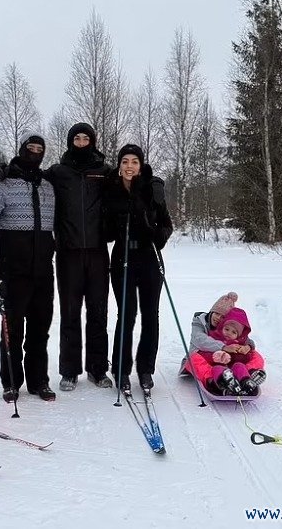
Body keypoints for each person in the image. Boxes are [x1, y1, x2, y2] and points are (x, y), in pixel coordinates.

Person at [0, 122, 112, 392]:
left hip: (98, 252)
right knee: (69, 313)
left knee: (98, 313)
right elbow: (28, 173)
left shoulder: (104, 172)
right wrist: (0, 171)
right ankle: (69, 371)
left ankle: (98, 368)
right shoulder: (58, 172)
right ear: (70, 142)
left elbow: (129, 184)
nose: (81, 142)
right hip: (67, 253)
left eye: (85, 138)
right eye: (76, 138)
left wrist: (152, 181)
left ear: (92, 141)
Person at [0, 132, 57, 402]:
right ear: (22, 149)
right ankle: (12, 382)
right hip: (13, 271)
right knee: (12, 331)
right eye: (31, 147)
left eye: (40, 148)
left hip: (43, 271)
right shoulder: (4, 184)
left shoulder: (48, 185)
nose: (35, 152)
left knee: (40, 330)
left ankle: (39, 381)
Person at [103, 144, 173, 391]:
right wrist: (112, 228)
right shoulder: (111, 189)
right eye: (125, 161)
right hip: (123, 255)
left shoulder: (152, 188)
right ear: (119, 165)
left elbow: (167, 224)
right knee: (127, 315)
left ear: (140, 165)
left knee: (150, 315)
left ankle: (145, 369)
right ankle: (121, 369)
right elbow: (106, 229)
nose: (129, 166)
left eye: (134, 161)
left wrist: (157, 235)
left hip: (149, 256)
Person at [181, 292, 266, 395]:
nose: (218, 318)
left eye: (222, 317)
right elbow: (200, 340)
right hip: (204, 358)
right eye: (217, 313)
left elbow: (246, 339)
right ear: (212, 311)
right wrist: (224, 347)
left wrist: (248, 347)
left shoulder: (227, 327)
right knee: (194, 359)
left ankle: (248, 377)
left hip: (229, 362)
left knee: (255, 355)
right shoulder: (199, 322)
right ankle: (213, 381)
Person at [197, 307, 259, 395]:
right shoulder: (214, 338)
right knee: (218, 369)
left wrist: (240, 353)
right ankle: (221, 387)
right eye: (227, 329)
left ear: (239, 335)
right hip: (217, 367)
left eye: (234, 332)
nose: (229, 333)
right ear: (222, 327)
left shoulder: (240, 343)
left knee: (240, 366)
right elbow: (203, 352)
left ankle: (246, 383)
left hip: (233, 369)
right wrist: (215, 356)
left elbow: (246, 358)